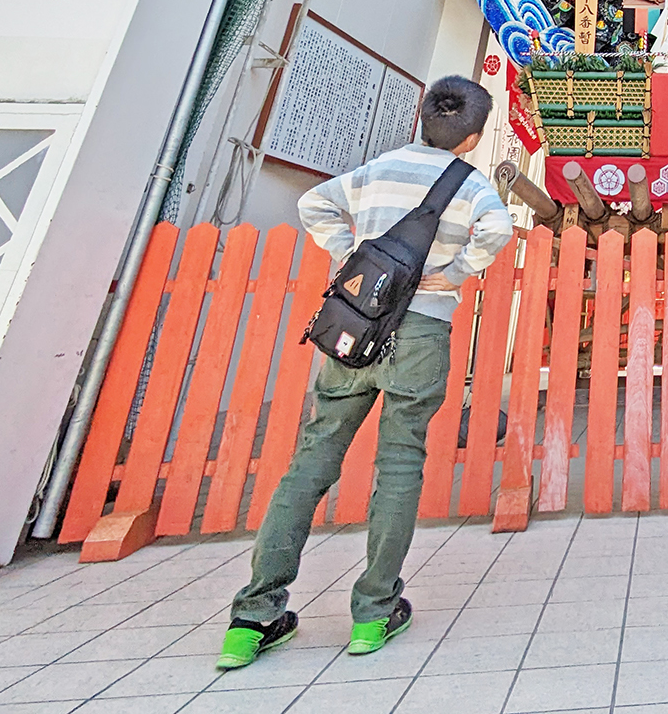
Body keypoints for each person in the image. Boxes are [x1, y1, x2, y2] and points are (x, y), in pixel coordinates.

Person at [216, 76, 513, 671]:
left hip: (355, 328)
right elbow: (498, 230)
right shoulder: (470, 183)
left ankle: (252, 618)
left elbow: (313, 203)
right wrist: (453, 274)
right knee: (400, 464)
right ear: (474, 137)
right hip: (422, 330)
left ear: (420, 117)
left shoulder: (378, 169)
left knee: (312, 459)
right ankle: (374, 614)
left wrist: (350, 253)